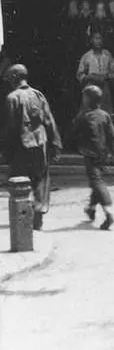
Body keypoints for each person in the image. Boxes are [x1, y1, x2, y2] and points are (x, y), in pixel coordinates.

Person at [1, 64, 62, 231]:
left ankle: (22, 216)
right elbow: (49, 120)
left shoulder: (12, 98)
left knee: (19, 180)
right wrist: (55, 143)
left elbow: (10, 127)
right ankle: (38, 216)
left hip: (21, 145)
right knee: (40, 179)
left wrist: (6, 149)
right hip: (40, 143)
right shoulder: (38, 95)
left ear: (14, 78)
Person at [67, 84, 114, 230]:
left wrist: (76, 147)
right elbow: (113, 135)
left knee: (96, 182)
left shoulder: (84, 116)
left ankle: (109, 213)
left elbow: (73, 133)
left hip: (90, 155)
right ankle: (91, 208)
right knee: (95, 180)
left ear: (87, 99)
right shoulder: (104, 115)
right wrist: (113, 152)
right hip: (103, 154)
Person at [77, 31, 114, 113]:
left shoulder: (107, 55)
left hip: (104, 88)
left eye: (100, 38)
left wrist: (106, 77)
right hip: (90, 88)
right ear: (91, 40)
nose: (98, 41)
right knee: (89, 112)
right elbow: (80, 74)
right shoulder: (86, 56)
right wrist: (89, 77)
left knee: (105, 112)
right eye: (96, 38)